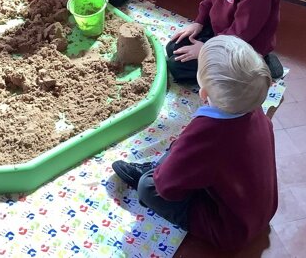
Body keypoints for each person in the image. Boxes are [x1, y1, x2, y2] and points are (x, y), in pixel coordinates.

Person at [112, 36, 278, 251]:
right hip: (258, 210)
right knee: (186, 155)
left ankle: (154, 171)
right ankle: (173, 169)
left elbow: (166, 189)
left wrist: (166, 171)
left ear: (203, 93)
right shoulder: (253, 108)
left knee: (148, 187)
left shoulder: (207, 132)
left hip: (230, 229)